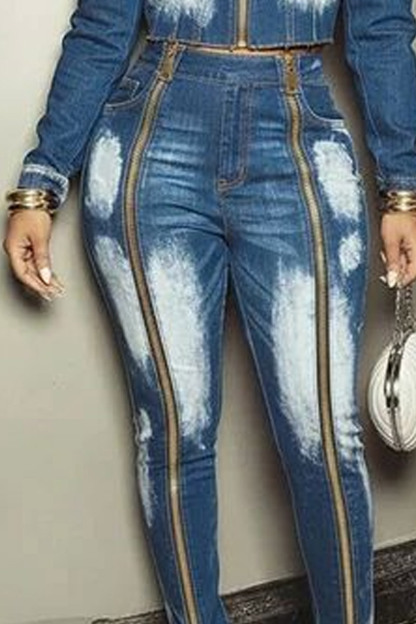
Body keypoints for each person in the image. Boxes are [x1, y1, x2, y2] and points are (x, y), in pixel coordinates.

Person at [3, 1, 416, 623]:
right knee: (175, 433)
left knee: (325, 438)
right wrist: (40, 183)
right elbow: (102, 25)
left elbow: (381, 26)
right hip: (153, 142)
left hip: (299, 140)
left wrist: (402, 187)